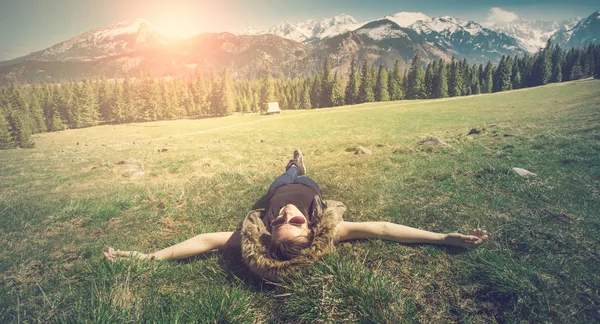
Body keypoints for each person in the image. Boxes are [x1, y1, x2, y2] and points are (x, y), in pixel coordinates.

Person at [104, 150, 488, 281]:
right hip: (311, 187)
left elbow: (205, 240)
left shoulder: (264, 232)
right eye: (296, 222)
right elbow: (384, 230)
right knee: (301, 177)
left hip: (275, 184)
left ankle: (291, 164)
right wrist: (443, 238)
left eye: (278, 222)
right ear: (311, 227)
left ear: (269, 232)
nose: (287, 215)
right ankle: (300, 166)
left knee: (285, 176)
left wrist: (148, 257)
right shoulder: (330, 230)